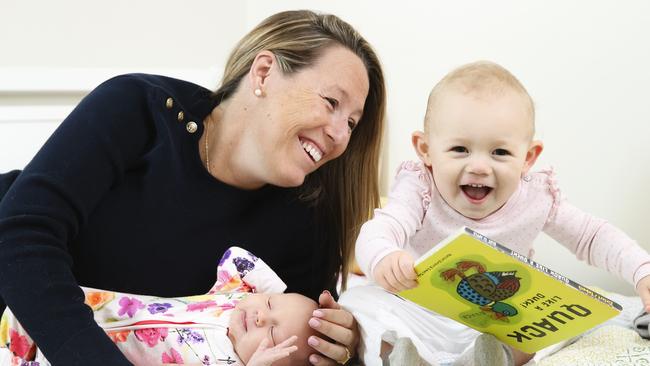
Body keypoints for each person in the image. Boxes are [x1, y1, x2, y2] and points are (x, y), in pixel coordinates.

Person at [0, 9, 386, 365]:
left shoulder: (305, 219)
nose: (339, 136)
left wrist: (341, 347)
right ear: (264, 72)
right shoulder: (141, 107)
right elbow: (21, 234)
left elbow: (288, 351)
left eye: (352, 123)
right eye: (331, 102)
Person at [351, 60, 650, 365]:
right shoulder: (420, 186)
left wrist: (642, 271)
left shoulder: (536, 196)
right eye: (460, 149)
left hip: (493, 321)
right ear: (425, 149)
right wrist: (384, 258)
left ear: (528, 158)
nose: (480, 166)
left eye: (500, 152)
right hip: (419, 313)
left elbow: (593, 236)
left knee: (545, 331)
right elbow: (378, 231)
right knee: (360, 304)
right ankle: (400, 357)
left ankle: (489, 359)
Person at [1, 247, 320, 365]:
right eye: (270, 304)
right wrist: (276, 290)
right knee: (23, 311)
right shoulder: (234, 297)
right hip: (93, 312)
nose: (262, 316)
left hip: (101, 358)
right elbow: (236, 257)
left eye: (276, 335)